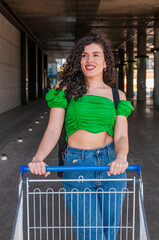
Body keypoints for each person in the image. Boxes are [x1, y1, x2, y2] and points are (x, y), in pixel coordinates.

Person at [28, 32, 134, 239]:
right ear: (79, 61)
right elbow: (52, 130)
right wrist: (38, 158)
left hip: (110, 164)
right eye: (84, 55)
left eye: (96, 55)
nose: (89, 60)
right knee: (90, 233)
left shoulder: (117, 96)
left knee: (109, 232)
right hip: (78, 164)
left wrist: (121, 157)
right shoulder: (65, 90)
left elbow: (121, 136)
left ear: (105, 62)